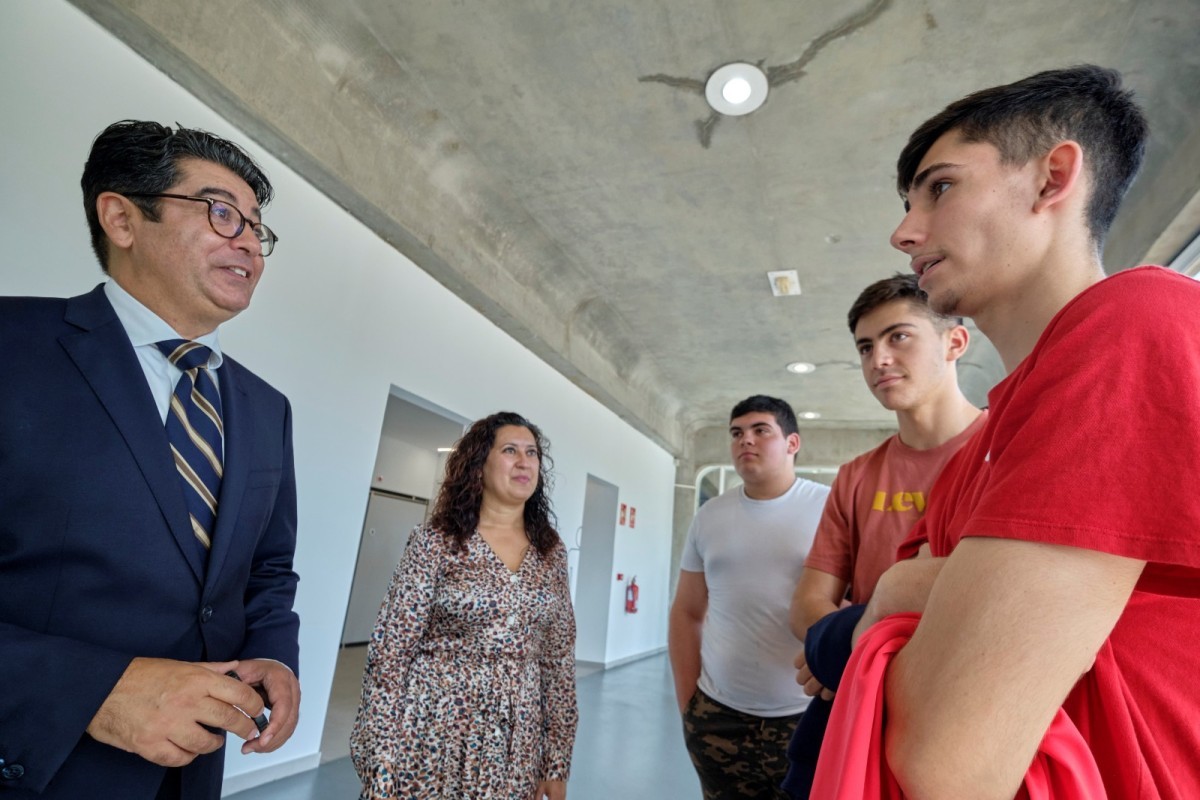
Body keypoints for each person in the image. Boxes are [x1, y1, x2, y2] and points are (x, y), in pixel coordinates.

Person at [844, 65, 1200, 799]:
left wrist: (898, 591)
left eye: (940, 188)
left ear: (1052, 178)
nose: (904, 233)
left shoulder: (1137, 319)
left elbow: (948, 758)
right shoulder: (977, 451)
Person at [0, 120, 301, 799]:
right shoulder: (13, 346)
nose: (250, 243)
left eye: (259, 228)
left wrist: (274, 654)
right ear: (122, 218)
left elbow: (269, 569)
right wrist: (92, 690)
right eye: (223, 213)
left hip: (192, 774)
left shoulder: (266, 408)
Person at [782, 273, 985, 798]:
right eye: (866, 347)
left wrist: (844, 651)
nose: (879, 360)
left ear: (954, 341)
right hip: (862, 710)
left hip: (972, 710)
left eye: (899, 337)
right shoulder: (856, 475)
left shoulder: (1002, 450)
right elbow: (809, 599)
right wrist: (842, 658)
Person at [351, 411, 577, 800]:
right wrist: (381, 764)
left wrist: (555, 761)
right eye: (510, 450)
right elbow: (391, 655)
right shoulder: (435, 542)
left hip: (515, 746)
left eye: (532, 453)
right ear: (479, 465)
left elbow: (557, 661)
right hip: (430, 736)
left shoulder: (551, 552)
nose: (525, 461)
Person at [669, 395, 830, 799]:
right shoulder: (710, 516)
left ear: (792, 443)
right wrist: (689, 705)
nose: (746, 441)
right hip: (717, 718)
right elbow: (687, 612)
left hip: (804, 717)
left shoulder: (829, 508)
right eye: (737, 433)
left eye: (761, 431)